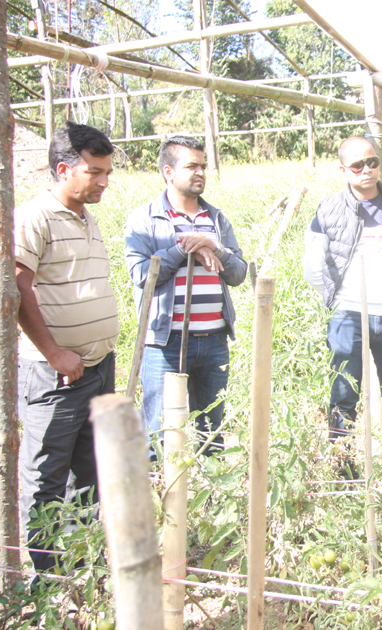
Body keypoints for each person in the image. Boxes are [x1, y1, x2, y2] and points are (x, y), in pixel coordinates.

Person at [14, 122, 120, 578]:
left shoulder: (85, 215)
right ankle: (45, 582)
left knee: (88, 474)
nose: (103, 181)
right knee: (45, 477)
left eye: (106, 172)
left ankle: (80, 569)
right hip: (56, 374)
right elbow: (17, 289)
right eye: (94, 172)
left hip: (96, 367)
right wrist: (55, 353)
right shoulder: (33, 217)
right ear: (63, 168)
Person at [124, 136, 247, 455]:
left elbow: (238, 274)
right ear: (168, 171)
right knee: (161, 434)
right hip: (166, 343)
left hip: (215, 342)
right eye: (192, 166)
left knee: (211, 433)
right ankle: (160, 500)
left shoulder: (217, 219)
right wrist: (182, 248)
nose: (201, 172)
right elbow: (140, 275)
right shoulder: (146, 218)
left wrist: (213, 245)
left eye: (203, 166)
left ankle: (209, 502)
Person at [304, 136, 382, 469]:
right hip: (348, 316)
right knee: (343, 394)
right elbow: (313, 266)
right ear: (343, 170)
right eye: (357, 165)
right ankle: (343, 470)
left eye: (372, 162)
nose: (367, 170)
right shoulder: (328, 209)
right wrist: (339, 298)